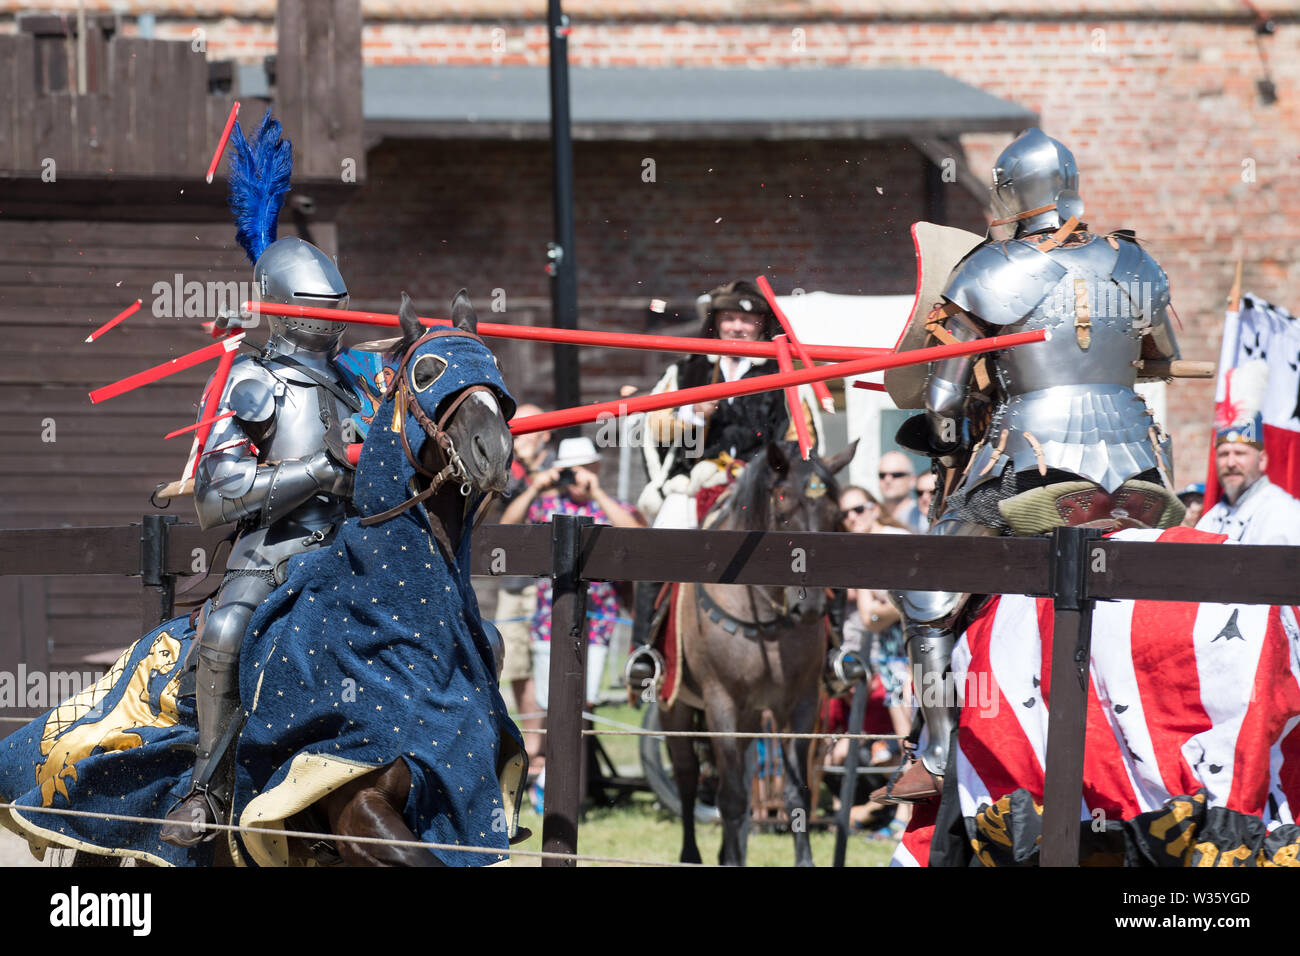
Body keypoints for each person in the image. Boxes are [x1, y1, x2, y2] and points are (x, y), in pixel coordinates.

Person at [883, 128, 1183, 802]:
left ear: (1011, 191)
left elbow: (939, 403)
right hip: (1139, 470)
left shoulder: (989, 270)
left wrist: (974, 390)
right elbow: (1160, 356)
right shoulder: (1134, 263)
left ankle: (934, 754)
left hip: (1034, 464)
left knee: (927, 590)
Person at [162, 111, 358, 845]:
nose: (331, 324)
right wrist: (318, 469)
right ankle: (206, 793)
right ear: (284, 311)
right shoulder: (255, 382)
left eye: (336, 313)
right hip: (269, 559)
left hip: (348, 554)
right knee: (225, 631)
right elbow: (218, 498)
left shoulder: (352, 385)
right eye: (317, 313)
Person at [628, 280, 818, 687]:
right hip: (695, 483)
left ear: (761, 326)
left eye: (747, 320)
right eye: (729, 318)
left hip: (762, 488)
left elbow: (801, 438)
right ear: (717, 323)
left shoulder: (783, 371)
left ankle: (834, 650)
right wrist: (693, 416)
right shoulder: (687, 368)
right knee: (658, 547)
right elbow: (655, 430)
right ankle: (645, 650)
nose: (737, 327)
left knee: (810, 540)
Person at [494, 404, 553, 777]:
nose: (524, 436)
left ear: (546, 433)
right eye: (519, 429)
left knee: (547, 666)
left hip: (549, 584)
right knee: (516, 666)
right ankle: (531, 747)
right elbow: (506, 524)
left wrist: (540, 474)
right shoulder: (507, 471)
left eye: (532, 429)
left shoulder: (562, 465)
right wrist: (532, 482)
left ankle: (541, 750)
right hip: (515, 583)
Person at [1196, 417, 1300, 545]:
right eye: (1224, 454)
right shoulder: (1211, 518)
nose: (1230, 463)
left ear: (1262, 460)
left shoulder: (1283, 512)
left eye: (1240, 453)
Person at [878, 451, 925, 533]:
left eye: (896, 475)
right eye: (882, 475)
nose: (887, 480)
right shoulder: (870, 514)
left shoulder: (922, 515)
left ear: (912, 480)